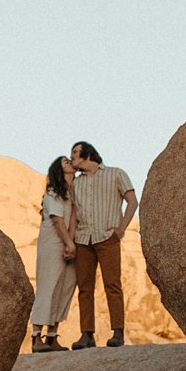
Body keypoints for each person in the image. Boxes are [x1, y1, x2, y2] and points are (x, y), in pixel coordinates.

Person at [66, 142, 137, 349]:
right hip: (83, 240)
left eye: (75, 153)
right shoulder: (76, 184)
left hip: (107, 237)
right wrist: (70, 241)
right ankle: (86, 335)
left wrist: (121, 228)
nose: (72, 157)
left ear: (87, 153)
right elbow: (73, 215)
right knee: (84, 288)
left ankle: (118, 332)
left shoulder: (116, 174)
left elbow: (132, 201)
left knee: (112, 285)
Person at [29, 158, 77, 354]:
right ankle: (35, 336)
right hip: (53, 242)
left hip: (68, 241)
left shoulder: (73, 193)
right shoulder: (53, 193)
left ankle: (51, 336)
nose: (70, 162)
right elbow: (57, 220)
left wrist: (71, 243)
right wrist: (68, 243)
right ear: (59, 169)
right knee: (48, 285)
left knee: (65, 287)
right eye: (66, 161)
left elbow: (73, 218)